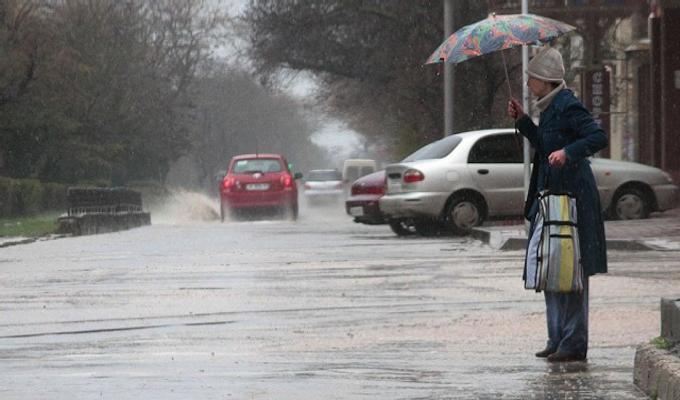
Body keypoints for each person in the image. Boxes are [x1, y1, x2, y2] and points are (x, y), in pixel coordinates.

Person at [506, 47, 608, 362]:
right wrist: (523, 121)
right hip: (553, 198)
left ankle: (573, 343)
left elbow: (597, 137)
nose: (528, 83)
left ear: (547, 80)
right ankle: (556, 337)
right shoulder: (549, 109)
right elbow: (545, 144)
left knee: (571, 269)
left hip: (574, 199)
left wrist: (569, 153)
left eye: (532, 78)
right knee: (553, 267)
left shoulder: (568, 105)